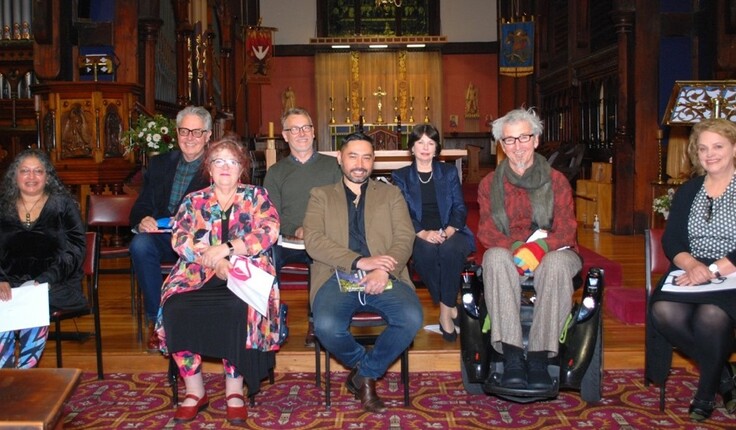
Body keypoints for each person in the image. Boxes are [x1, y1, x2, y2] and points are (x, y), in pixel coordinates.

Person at [155, 136, 282, 424]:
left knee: (237, 309)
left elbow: (269, 231)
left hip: (245, 273)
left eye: (233, 162)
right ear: (209, 168)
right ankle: (194, 389)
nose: (225, 167)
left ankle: (234, 391)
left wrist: (227, 250)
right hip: (196, 275)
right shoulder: (193, 201)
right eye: (218, 161)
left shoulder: (256, 197)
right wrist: (212, 261)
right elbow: (179, 239)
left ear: (242, 168)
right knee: (175, 308)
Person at [303, 132, 424, 413]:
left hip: (386, 275)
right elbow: (315, 241)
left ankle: (363, 377)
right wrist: (360, 261)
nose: (360, 163)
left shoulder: (391, 194)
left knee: (410, 318)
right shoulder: (321, 196)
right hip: (336, 276)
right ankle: (366, 370)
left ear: (373, 161)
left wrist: (383, 268)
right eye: (353, 156)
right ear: (339, 158)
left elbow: (405, 237)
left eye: (367, 157)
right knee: (327, 327)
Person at [477, 107, 580, 390]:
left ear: (535, 140)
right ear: (502, 145)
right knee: (494, 258)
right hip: (508, 250)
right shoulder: (489, 184)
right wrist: (517, 247)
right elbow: (486, 230)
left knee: (555, 265)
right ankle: (511, 355)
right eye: (510, 140)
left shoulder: (557, 181)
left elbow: (568, 229)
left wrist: (540, 248)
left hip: (555, 250)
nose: (517, 146)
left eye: (524, 138)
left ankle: (538, 358)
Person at [647, 118, 736, 422]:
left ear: (734, 148)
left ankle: (706, 394)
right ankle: (725, 374)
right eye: (703, 148)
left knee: (711, 316)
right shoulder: (689, 190)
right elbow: (672, 240)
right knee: (663, 311)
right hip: (691, 267)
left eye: (718, 146)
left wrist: (712, 270)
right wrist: (693, 264)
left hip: (731, 271)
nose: (710, 154)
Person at [129, 106, 212, 352]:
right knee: (140, 244)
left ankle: (198, 323)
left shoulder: (215, 167)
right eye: (184, 131)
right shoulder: (159, 164)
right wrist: (143, 218)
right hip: (163, 238)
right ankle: (157, 320)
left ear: (208, 136)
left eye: (197, 132)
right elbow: (141, 204)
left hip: (199, 241)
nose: (189, 138)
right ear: (176, 133)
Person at [0, 148, 87, 368]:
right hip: (9, 284)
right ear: (15, 175)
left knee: (34, 303)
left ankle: (24, 372)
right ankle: (5, 371)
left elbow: (76, 248)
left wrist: (46, 280)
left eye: (38, 171)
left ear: (47, 176)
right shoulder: (2, 207)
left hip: (56, 284)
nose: (31, 177)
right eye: (25, 171)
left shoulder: (63, 205)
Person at [263, 107, 342, 346]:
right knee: (264, 257)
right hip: (286, 239)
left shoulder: (334, 166)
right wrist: (296, 228)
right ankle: (272, 317)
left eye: (306, 127)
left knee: (324, 258)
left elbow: (342, 206)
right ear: (285, 136)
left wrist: (314, 229)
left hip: (324, 237)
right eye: (294, 129)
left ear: (313, 132)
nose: (301, 133)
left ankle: (316, 320)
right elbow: (270, 213)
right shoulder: (276, 172)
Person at [392, 124, 475, 342]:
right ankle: (451, 307)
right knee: (425, 254)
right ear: (411, 147)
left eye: (431, 143)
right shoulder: (400, 176)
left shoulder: (447, 172)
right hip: (419, 232)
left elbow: (460, 207)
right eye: (420, 142)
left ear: (437, 148)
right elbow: (401, 212)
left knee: (449, 251)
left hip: (452, 230)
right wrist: (422, 233)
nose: (425, 148)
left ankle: (445, 315)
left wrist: (447, 231)